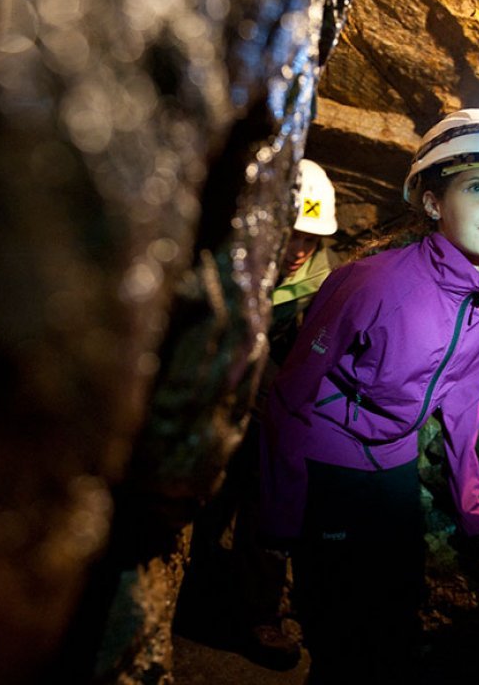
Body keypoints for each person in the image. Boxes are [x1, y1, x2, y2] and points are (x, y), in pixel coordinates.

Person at [259, 108, 479, 684]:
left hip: (392, 461)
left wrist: (469, 504)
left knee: (395, 617)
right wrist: (280, 516)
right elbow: (290, 395)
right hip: (329, 460)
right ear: (433, 203)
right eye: (477, 187)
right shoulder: (371, 282)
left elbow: (465, 396)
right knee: (339, 632)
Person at [174, 159, 339, 670]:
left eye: (310, 240)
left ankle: (257, 616)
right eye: (292, 236)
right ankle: (187, 590)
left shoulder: (324, 291)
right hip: (221, 413)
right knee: (204, 505)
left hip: (278, 426)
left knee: (268, 521)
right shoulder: (234, 269)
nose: (299, 251)